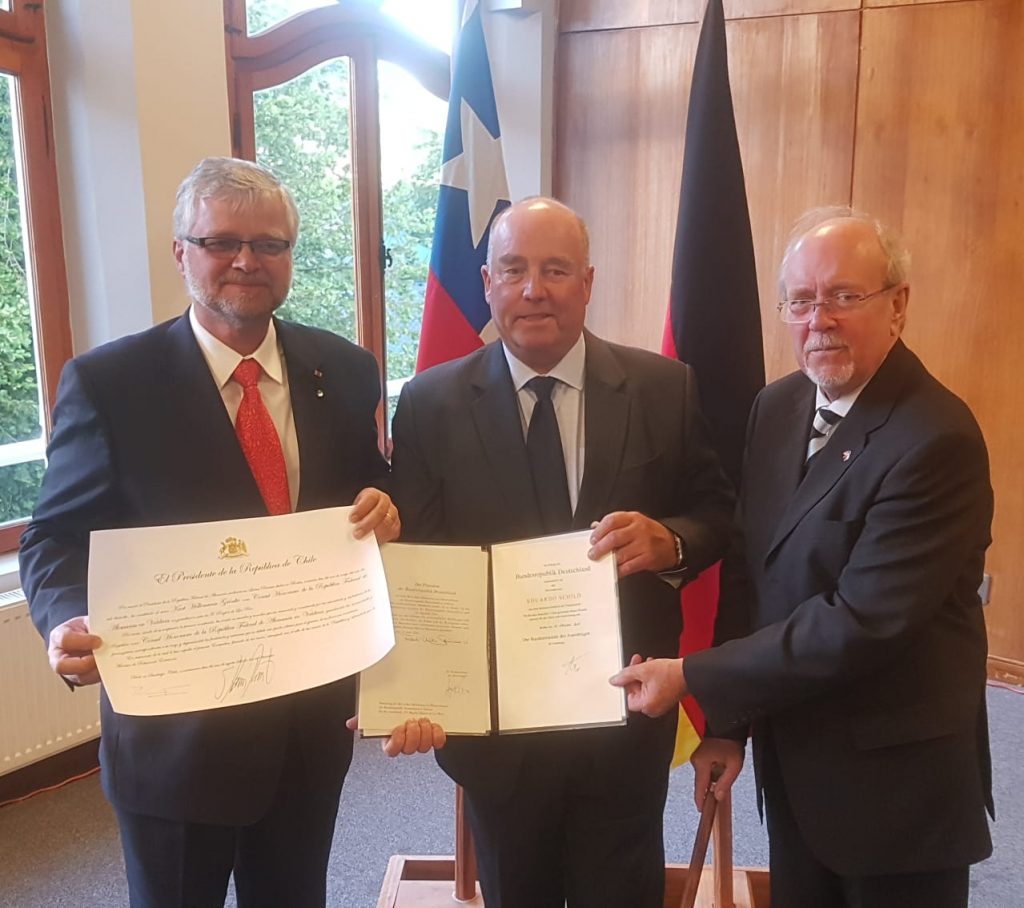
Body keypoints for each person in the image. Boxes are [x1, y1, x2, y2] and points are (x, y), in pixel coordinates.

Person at [19, 156, 426, 907]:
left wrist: (387, 503)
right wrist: (65, 616)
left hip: (307, 726)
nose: (247, 260)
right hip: (175, 739)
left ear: (290, 256)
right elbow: (54, 536)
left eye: (270, 244)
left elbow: (370, 482)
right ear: (182, 253)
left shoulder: (344, 368)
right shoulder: (111, 384)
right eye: (221, 242)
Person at [611, 208, 994, 908]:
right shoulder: (779, 406)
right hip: (797, 770)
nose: (820, 319)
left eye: (845, 295)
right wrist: (727, 726)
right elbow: (749, 569)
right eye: (801, 300)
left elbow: (858, 622)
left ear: (897, 305)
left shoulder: (936, 440)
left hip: (897, 791)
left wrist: (691, 674)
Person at [389, 197, 734, 907]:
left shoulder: (663, 388)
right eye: (514, 269)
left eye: (555, 269)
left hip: (623, 716)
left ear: (588, 281)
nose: (533, 290)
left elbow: (719, 514)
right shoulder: (429, 404)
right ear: (487, 282)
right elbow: (418, 563)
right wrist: (412, 691)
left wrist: (670, 540)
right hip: (496, 736)